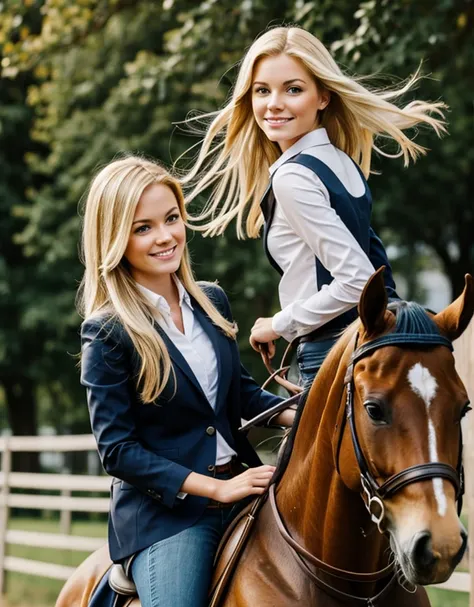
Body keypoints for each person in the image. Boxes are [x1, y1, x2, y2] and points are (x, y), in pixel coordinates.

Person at [78, 155, 295, 607]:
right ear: (113, 238)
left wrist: (301, 413)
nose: (163, 236)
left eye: (170, 218)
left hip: (248, 481)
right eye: (142, 227)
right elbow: (118, 451)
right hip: (170, 514)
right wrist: (214, 488)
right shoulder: (106, 333)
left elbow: (240, 396)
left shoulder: (210, 300)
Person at [181, 26, 446, 387]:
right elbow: (373, 265)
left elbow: (357, 281)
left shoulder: (293, 176)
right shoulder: (340, 161)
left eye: (293, 89)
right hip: (370, 345)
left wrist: (277, 324)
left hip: (334, 356)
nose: (273, 103)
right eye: (262, 91)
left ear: (323, 97)